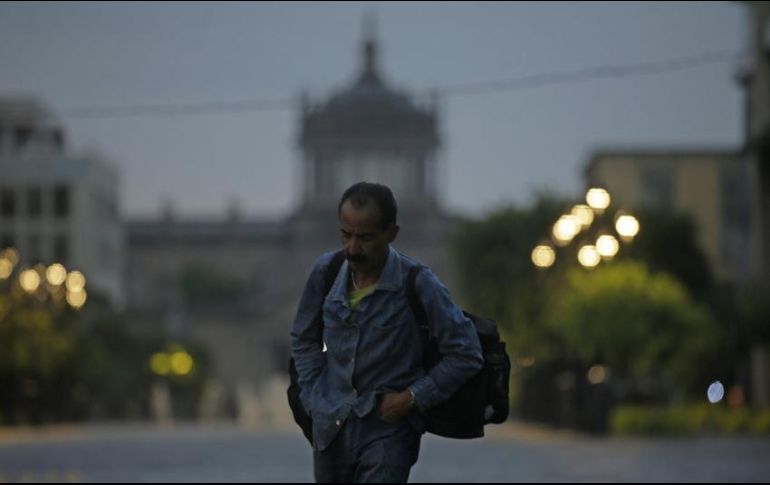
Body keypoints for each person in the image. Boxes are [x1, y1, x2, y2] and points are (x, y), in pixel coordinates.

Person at [290, 181, 483, 483]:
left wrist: (411, 398)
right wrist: (315, 396)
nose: (353, 247)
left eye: (365, 238)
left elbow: (466, 352)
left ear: (391, 234)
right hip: (331, 428)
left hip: (387, 432)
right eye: (346, 235)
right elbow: (303, 340)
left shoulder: (418, 282)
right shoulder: (325, 272)